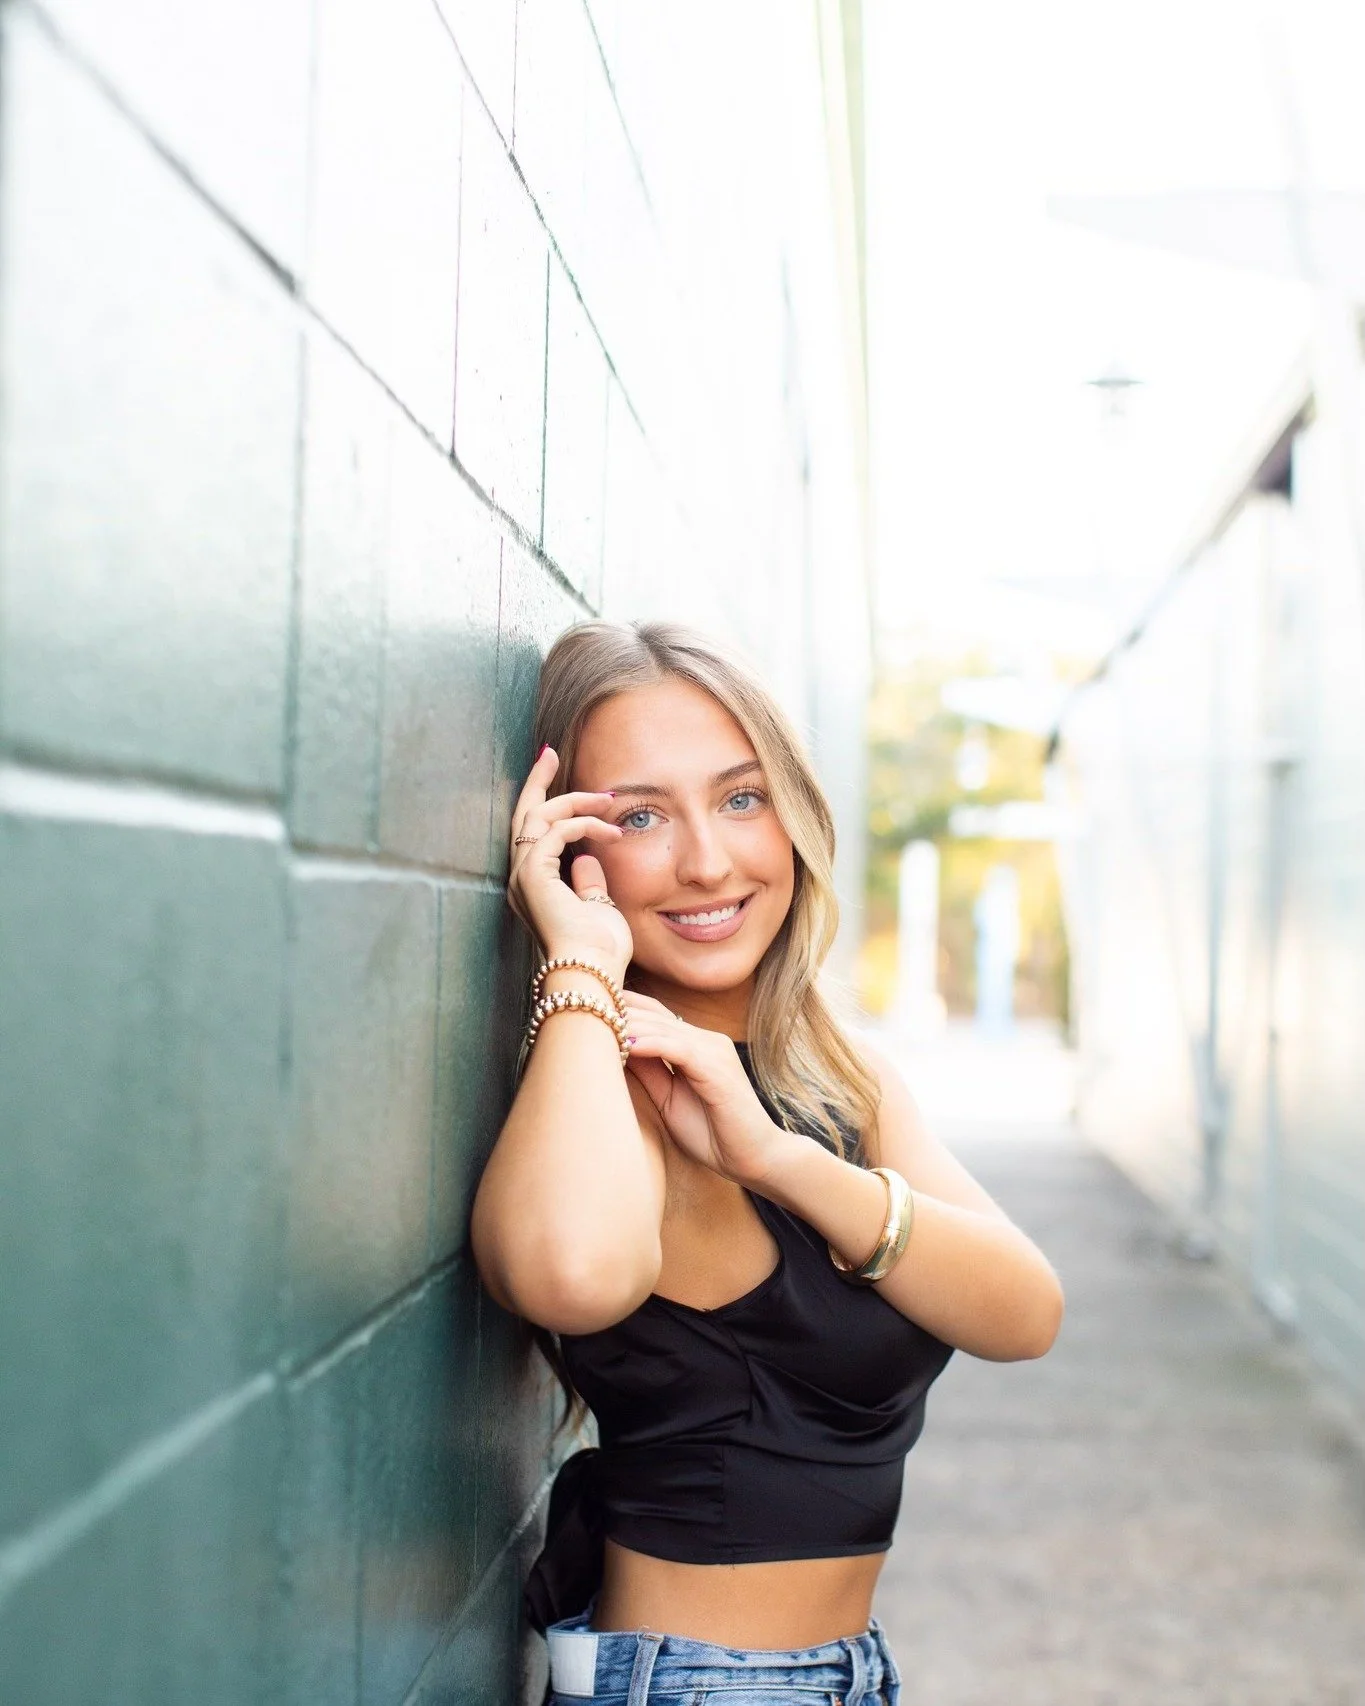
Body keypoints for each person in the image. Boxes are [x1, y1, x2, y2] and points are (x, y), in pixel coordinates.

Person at [471, 620, 1064, 1706]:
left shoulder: (837, 1077)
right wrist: (581, 962)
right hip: (691, 1681)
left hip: (840, 1672)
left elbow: (1025, 1312)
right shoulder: (615, 1081)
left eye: (742, 797)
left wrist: (779, 1158)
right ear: (569, 851)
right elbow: (566, 1272)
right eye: (642, 814)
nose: (708, 858)